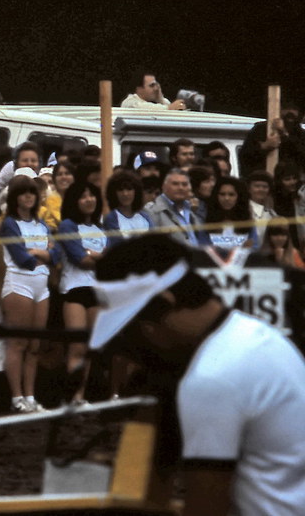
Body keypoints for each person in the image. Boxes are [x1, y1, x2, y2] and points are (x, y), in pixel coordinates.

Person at [92, 233, 305, 516]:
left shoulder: (212, 378)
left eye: (136, 328)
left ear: (166, 302)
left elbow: (206, 505)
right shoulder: (253, 335)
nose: (138, 345)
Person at [0, 175, 56, 413]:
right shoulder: (10, 224)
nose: (29, 196)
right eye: (23, 192)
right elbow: (23, 260)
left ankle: (30, 396)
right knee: (17, 343)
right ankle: (16, 397)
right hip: (19, 285)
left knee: (34, 345)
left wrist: (40, 254)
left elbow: (58, 255)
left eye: (32, 192)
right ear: (15, 197)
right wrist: (43, 254)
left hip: (41, 287)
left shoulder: (42, 224)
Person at [56, 181, 106, 405]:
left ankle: (82, 394)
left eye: (92, 196)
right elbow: (81, 260)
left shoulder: (101, 228)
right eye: (83, 196)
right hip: (75, 290)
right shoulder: (68, 225)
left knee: (91, 347)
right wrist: (96, 256)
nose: (89, 200)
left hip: (97, 291)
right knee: (77, 346)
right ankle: (72, 396)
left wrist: (92, 254)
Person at [241, 97, 305, 176]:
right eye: (286, 108)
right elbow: (245, 155)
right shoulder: (260, 129)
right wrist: (264, 147)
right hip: (264, 180)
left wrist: (283, 134)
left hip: (291, 182)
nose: (290, 112)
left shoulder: (301, 134)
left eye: (294, 109)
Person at [144, 169, 207, 247]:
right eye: (175, 184)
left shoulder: (192, 210)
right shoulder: (152, 211)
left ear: (190, 188)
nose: (180, 188)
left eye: (184, 184)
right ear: (164, 187)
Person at [204, 176, 257, 250]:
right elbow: (202, 250)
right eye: (222, 194)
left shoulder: (248, 223)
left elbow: (254, 249)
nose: (226, 198)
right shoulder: (206, 222)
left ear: (239, 197)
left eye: (231, 194)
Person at [103, 169, 151, 248]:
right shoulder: (112, 219)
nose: (125, 194)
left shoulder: (145, 217)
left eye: (129, 189)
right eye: (120, 190)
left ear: (136, 191)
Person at [120, 71, 186, 110]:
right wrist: (169, 108)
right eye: (152, 86)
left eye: (156, 85)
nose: (156, 89)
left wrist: (160, 99)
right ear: (139, 89)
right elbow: (143, 108)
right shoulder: (129, 102)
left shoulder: (159, 102)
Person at [40, 161, 74, 232]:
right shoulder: (47, 199)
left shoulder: (80, 198)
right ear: (54, 178)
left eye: (67, 173)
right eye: (59, 174)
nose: (63, 177)